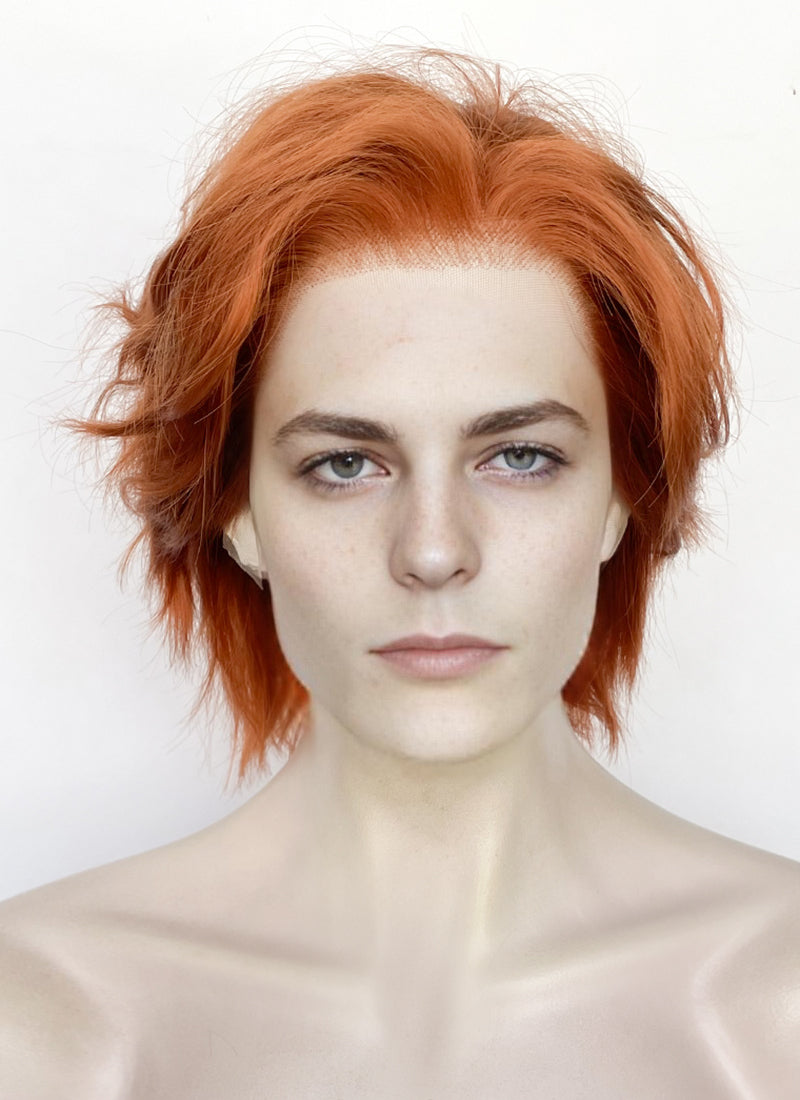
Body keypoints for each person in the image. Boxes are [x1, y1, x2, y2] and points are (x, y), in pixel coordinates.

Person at [1, 46, 797, 1099]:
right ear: (235, 510)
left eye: (520, 456)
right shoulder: (44, 1024)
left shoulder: (775, 1010)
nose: (431, 551)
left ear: (622, 493)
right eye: (344, 464)